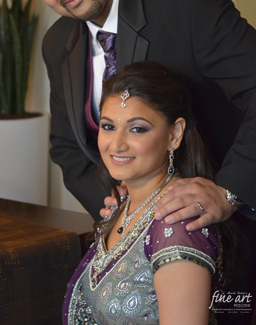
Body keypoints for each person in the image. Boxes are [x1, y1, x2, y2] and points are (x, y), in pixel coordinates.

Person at [7, 0, 256, 230]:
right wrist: (114, 206)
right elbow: (67, 146)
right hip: (134, 238)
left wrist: (228, 192)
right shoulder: (57, 42)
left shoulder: (191, 5)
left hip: (231, 231)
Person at [64, 61, 226, 325]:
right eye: (108, 126)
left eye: (137, 128)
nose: (116, 144)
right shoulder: (122, 205)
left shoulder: (176, 222)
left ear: (175, 134)